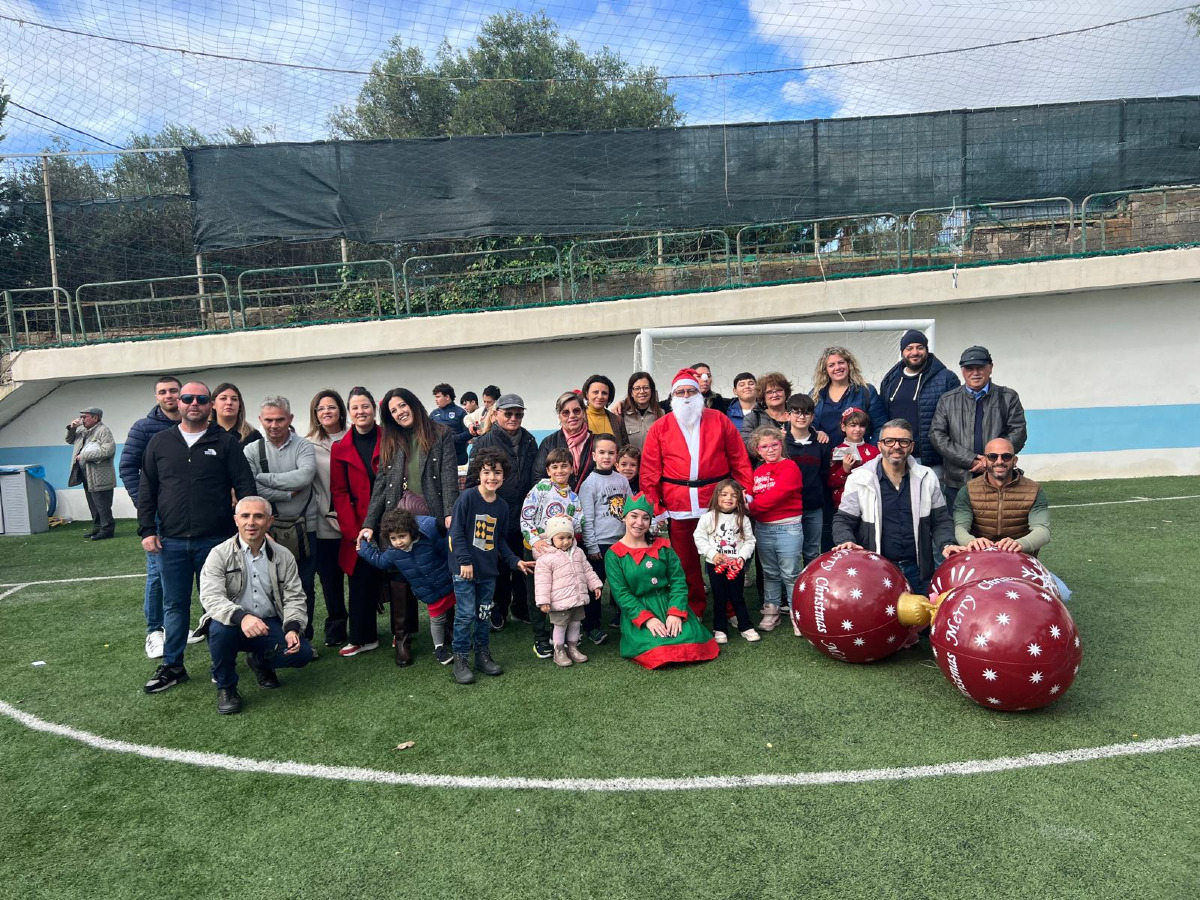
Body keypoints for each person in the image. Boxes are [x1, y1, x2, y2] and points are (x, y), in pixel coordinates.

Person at [137, 380, 255, 694]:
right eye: (187, 398)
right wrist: (147, 529)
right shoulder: (160, 442)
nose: (193, 403)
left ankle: (222, 665)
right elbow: (147, 489)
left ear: (210, 405)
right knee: (174, 606)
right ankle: (173, 666)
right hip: (171, 541)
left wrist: (248, 526)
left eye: (201, 399)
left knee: (219, 605)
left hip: (216, 541)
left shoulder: (226, 442)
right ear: (178, 402)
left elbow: (245, 487)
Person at [358, 388, 459, 665]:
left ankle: (448, 628)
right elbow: (380, 487)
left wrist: (450, 513)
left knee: (440, 569)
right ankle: (402, 637)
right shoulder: (391, 441)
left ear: (413, 404)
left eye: (403, 405)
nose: (400, 411)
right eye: (393, 410)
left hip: (432, 518)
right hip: (398, 519)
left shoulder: (440, 434)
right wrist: (369, 524)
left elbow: (449, 477)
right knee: (400, 576)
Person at [641, 368, 753, 616]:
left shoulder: (718, 419)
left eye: (691, 390)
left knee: (725, 554)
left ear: (699, 393)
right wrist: (654, 507)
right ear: (673, 397)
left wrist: (746, 490)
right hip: (678, 503)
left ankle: (731, 608)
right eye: (680, 392)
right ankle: (695, 608)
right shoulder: (660, 427)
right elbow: (650, 471)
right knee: (685, 562)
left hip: (717, 501)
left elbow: (739, 458)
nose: (686, 396)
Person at [198, 496, 314, 715]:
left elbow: (295, 597)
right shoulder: (218, 554)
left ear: (269, 521)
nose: (251, 522)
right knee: (219, 631)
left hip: (269, 623)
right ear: (236, 520)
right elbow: (211, 597)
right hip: (232, 623)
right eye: (245, 516)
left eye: (258, 516)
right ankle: (227, 688)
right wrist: (242, 617)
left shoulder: (284, 555)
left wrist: (291, 628)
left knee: (302, 654)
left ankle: (261, 661)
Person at [832, 418, 957, 595]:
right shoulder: (859, 478)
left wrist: (947, 544)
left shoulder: (927, 477)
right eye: (889, 441)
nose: (896, 446)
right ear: (880, 445)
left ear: (911, 447)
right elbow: (843, 519)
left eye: (903, 441)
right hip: (876, 569)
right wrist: (846, 540)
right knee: (880, 621)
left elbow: (941, 520)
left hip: (917, 569)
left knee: (920, 621)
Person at [447, 448, 536, 684]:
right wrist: (464, 561)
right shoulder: (466, 498)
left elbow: (500, 542)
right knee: (465, 615)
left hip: (488, 573)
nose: (492, 477)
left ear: (503, 476)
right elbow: (455, 534)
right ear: (478, 473)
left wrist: (515, 561)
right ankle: (461, 658)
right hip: (464, 571)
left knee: (483, 615)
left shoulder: (502, 507)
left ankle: (482, 655)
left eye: (497, 472)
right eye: (487, 472)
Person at [605, 493, 720, 669]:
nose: (639, 523)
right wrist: (647, 619)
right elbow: (621, 594)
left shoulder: (663, 546)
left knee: (692, 641)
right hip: (640, 610)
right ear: (624, 517)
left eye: (645, 518)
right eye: (634, 516)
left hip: (669, 604)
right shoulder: (614, 554)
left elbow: (678, 580)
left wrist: (675, 613)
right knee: (658, 649)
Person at [243, 395, 318, 640]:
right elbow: (251, 488)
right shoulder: (252, 449)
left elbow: (305, 477)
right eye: (268, 420)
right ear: (260, 420)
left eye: (279, 420)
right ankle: (274, 638)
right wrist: (286, 493)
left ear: (290, 419)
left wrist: (264, 478)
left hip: (304, 528)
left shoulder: (304, 446)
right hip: (265, 531)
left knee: (304, 585)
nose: (273, 425)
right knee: (268, 587)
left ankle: (304, 638)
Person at [464, 393, 539, 630]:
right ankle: (498, 608)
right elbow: (471, 482)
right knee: (494, 567)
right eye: (508, 413)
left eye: (518, 414)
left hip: (523, 516)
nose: (513, 418)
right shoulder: (483, 442)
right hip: (492, 515)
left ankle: (520, 607)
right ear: (496, 415)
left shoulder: (528, 440)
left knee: (520, 565)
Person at [119, 375, 181, 660]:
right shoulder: (144, 428)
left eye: (173, 391)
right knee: (158, 572)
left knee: (193, 571)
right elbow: (128, 467)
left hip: (191, 514)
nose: (169, 396)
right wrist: (143, 503)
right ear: (156, 397)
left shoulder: (196, 423)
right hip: (158, 514)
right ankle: (154, 630)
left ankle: (178, 626)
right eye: (163, 392)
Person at [929, 345, 1028, 507]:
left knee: (997, 528)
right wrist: (970, 460)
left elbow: (1018, 432)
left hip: (998, 478)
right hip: (958, 481)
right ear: (962, 370)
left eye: (980, 367)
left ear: (991, 368)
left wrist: (991, 461)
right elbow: (937, 435)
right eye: (969, 368)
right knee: (960, 528)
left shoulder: (1008, 397)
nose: (975, 373)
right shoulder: (947, 400)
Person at [357, 509, 457, 665]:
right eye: (393, 538)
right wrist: (363, 547)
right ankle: (439, 648)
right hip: (429, 594)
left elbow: (447, 550)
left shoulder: (428, 538)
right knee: (437, 620)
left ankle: (463, 637)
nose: (398, 542)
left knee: (463, 611)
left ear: (411, 532)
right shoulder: (393, 553)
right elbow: (379, 561)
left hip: (449, 583)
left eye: (402, 536)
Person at [329, 386, 383, 657]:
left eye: (365, 406)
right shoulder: (339, 448)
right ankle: (363, 637)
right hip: (358, 523)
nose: (361, 412)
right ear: (349, 414)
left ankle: (403, 632)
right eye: (355, 408)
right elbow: (338, 491)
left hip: (391, 519)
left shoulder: (391, 439)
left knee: (400, 576)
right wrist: (352, 530)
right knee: (360, 579)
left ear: (374, 408)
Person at [520, 447, 584, 659]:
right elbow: (525, 517)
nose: (559, 470)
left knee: (560, 592)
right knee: (538, 594)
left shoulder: (574, 498)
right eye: (554, 467)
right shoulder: (540, 489)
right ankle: (540, 636)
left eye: (564, 466)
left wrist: (570, 527)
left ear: (571, 468)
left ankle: (561, 635)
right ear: (548, 470)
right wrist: (536, 540)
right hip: (536, 550)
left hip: (562, 553)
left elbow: (579, 524)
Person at [745, 427, 804, 632]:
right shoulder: (759, 471)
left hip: (788, 528)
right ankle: (772, 610)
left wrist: (750, 507)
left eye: (774, 445)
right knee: (770, 572)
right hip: (763, 528)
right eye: (764, 446)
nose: (770, 449)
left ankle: (798, 614)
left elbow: (776, 496)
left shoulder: (790, 467)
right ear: (757, 450)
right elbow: (753, 494)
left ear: (781, 445)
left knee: (790, 573)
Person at [948, 438, 1051, 556]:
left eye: (1006, 456)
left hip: (1020, 558)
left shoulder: (1034, 490)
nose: (999, 461)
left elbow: (1042, 530)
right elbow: (961, 527)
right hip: (979, 557)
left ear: (1015, 460)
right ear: (984, 460)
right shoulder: (968, 490)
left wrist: (1020, 544)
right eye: (993, 456)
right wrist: (971, 541)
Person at [877, 330, 959, 474]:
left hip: (931, 460)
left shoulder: (946, 379)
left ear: (927, 350)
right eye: (909, 348)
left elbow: (956, 420)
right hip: (897, 457)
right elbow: (883, 418)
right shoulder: (890, 380)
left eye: (920, 347)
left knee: (932, 497)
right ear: (903, 352)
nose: (915, 352)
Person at [305, 389, 349, 647]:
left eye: (331, 407)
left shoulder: (355, 436)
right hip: (323, 521)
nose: (326, 412)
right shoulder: (307, 443)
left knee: (357, 577)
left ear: (340, 410)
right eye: (321, 409)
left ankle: (363, 624)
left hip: (354, 520)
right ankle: (336, 625)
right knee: (330, 579)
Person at [577, 433, 631, 645]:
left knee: (623, 584)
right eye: (602, 452)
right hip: (599, 544)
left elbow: (628, 510)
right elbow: (587, 519)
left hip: (621, 542)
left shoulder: (622, 479)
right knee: (596, 586)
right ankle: (592, 625)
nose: (606, 457)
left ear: (616, 456)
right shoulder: (589, 484)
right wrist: (591, 546)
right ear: (593, 455)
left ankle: (625, 619)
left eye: (611, 453)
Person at [693, 479, 759, 645]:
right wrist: (712, 554)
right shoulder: (708, 517)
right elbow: (699, 537)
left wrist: (742, 557)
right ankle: (720, 627)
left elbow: (749, 541)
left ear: (738, 499)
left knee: (737, 596)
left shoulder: (742, 519)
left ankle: (745, 626)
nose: (728, 498)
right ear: (717, 496)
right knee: (719, 596)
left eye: (733, 495)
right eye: (724, 494)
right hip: (715, 565)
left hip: (735, 565)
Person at [534, 516, 603, 667]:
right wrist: (543, 601)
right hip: (560, 601)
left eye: (569, 537)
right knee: (560, 626)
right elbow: (542, 582)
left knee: (575, 623)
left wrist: (595, 585)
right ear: (552, 538)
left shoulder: (578, 553)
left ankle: (572, 647)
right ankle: (559, 650)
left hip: (577, 598)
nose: (566, 541)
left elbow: (587, 570)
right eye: (561, 538)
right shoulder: (546, 559)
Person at [783, 393, 832, 568]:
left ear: (812, 417)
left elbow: (826, 473)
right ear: (787, 415)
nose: (801, 417)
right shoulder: (780, 443)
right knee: (791, 553)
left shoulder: (822, 442)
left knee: (812, 552)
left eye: (806, 413)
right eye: (796, 412)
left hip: (813, 507)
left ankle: (809, 590)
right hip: (788, 509)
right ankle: (791, 593)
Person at [811, 346, 887, 446]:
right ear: (825, 370)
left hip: (858, 458)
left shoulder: (866, 392)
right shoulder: (816, 394)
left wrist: (869, 453)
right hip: (824, 457)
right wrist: (815, 433)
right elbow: (807, 425)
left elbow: (880, 428)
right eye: (831, 365)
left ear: (849, 365)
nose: (837, 367)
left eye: (841, 362)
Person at [65, 406, 116, 541]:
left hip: (99, 474)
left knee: (102, 503)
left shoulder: (103, 430)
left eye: (84, 417)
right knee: (92, 502)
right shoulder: (82, 430)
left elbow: (108, 450)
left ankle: (107, 529)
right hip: (86, 473)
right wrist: (72, 428)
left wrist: (84, 456)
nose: (81, 420)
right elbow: (69, 440)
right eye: (81, 417)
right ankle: (98, 527)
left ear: (95, 417)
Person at [534, 392, 596, 491]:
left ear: (584, 412)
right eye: (565, 412)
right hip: (559, 503)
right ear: (559, 416)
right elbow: (539, 477)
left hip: (592, 502)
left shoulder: (597, 442)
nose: (572, 416)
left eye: (576, 411)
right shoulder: (548, 443)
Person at [827, 407, 880, 510]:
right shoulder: (836, 451)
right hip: (845, 505)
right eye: (853, 425)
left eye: (862, 426)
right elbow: (830, 483)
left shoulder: (874, 451)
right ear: (843, 427)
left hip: (869, 504)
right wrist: (844, 470)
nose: (857, 429)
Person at [739, 372, 792, 453]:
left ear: (786, 393)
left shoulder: (796, 415)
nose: (774, 394)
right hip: (765, 464)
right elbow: (744, 444)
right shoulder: (753, 418)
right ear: (763, 396)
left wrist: (817, 434)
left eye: (779, 390)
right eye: (769, 392)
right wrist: (769, 441)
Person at [618, 372, 665, 451]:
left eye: (646, 387)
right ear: (631, 393)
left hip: (653, 462)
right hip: (631, 462)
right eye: (637, 388)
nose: (642, 391)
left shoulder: (661, 414)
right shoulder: (621, 414)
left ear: (652, 391)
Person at [581, 374, 630, 446]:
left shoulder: (617, 420)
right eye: (595, 392)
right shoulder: (578, 418)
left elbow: (625, 449)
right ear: (587, 394)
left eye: (604, 393)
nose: (600, 396)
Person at [429, 382, 471, 466]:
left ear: (447, 397)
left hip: (458, 458)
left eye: (438, 397)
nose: (436, 400)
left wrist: (451, 439)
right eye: (435, 397)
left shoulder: (460, 412)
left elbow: (469, 433)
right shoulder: (433, 414)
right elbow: (426, 433)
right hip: (439, 458)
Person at [211, 382, 262, 446]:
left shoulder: (253, 436)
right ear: (213, 404)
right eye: (223, 398)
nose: (229, 402)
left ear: (240, 405)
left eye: (234, 399)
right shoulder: (204, 434)